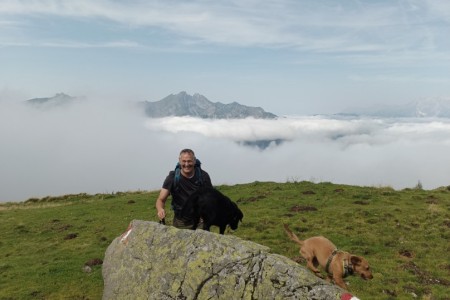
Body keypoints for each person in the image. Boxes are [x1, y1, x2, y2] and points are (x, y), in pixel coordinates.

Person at [155, 148, 213, 229]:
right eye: (184, 161)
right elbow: (160, 200)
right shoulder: (172, 178)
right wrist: (160, 209)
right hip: (180, 222)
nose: (186, 164)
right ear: (179, 161)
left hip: (200, 222)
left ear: (194, 161)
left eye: (189, 161)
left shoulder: (203, 176)